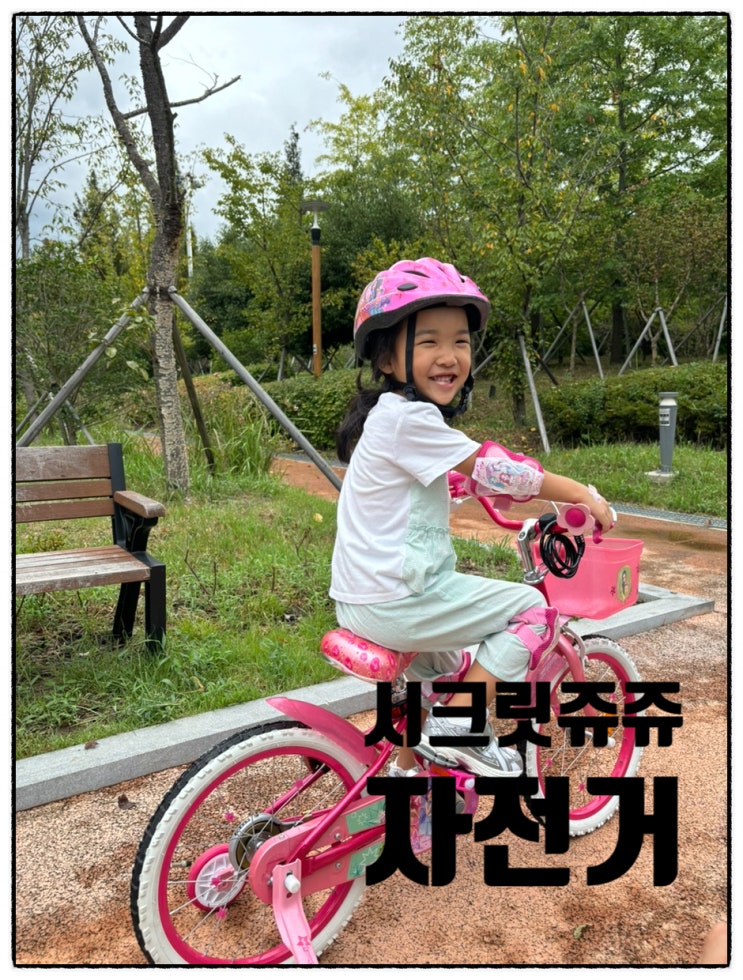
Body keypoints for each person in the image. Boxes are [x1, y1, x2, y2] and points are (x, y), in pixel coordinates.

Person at [329, 258, 614, 778]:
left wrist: (467, 484)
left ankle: (408, 781)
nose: (449, 356)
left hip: (366, 598)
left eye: (460, 342)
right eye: (429, 342)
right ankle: (459, 726)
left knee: (449, 669)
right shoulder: (410, 417)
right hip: (399, 597)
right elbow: (492, 465)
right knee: (533, 611)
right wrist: (579, 493)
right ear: (387, 358)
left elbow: (448, 475)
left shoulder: (390, 417)